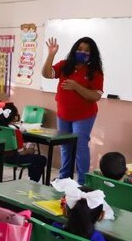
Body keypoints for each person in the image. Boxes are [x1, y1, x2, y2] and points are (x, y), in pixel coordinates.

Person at [41, 36, 104, 180]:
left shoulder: (95, 72)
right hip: (63, 114)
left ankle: (83, 181)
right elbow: (46, 74)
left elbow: (95, 96)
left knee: (80, 147)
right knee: (65, 147)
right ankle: (64, 178)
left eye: (87, 51)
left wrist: (76, 87)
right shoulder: (65, 65)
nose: (83, 52)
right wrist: (51, 55)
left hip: (84, 116)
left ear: (92, 54)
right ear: (74, 50)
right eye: (80, 49)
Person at [0, 102, 48, 183]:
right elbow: (22, 153)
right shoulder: (15, 131)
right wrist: (30, 149)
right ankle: (32, 183)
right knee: (41, 159)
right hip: (13, 158)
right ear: (14, 117)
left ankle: (31, 180)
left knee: (33, 159)